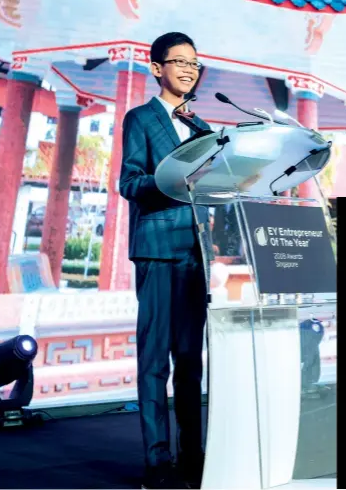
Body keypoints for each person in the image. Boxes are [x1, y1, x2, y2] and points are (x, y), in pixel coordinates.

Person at [119, 32, 210, 490]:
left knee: (191, 360)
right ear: (157, 68)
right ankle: (157, 460)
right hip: (156, 249)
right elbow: (130, 183)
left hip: (195, 254)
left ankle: (193, 455)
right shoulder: (140, 119)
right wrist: (172, 178)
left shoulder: (202, 129)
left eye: (195, 64)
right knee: (155, 361)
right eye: (180, 62)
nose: (190, 70)